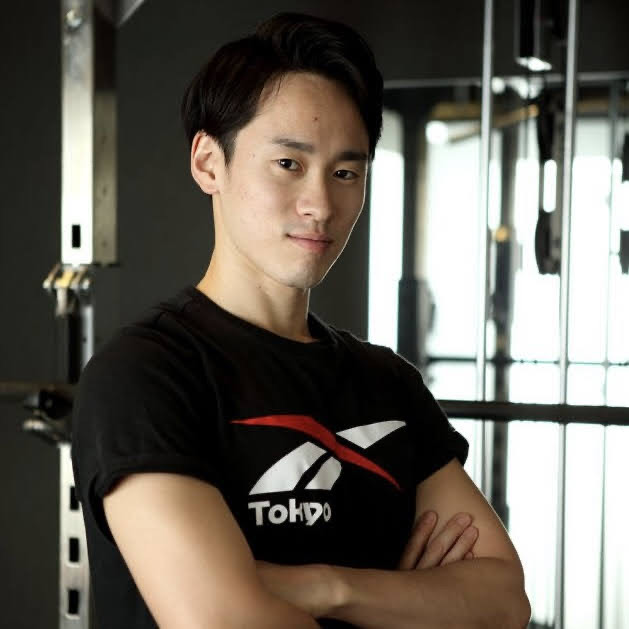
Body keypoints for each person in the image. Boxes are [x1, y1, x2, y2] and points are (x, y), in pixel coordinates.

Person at [71, 12, 530, 629]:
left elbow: (503, 600)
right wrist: (412, 600)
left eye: (345, 173)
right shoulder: (146, 376)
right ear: (208, 163)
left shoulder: (387, 383)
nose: (320, 205)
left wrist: (324, 587)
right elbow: (225, 622)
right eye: (289, 164)